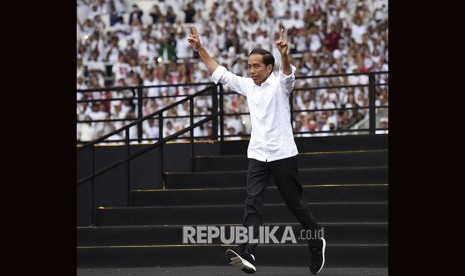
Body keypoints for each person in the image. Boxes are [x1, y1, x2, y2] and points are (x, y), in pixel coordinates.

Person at [187, 25, 326, 275]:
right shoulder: (248, 86)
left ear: (268, 68)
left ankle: (316, 241)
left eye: (256, 66)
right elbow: (221, 73)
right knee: (252, 203)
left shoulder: (280, 84)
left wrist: (284, 54)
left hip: (283, 154)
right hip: (257, 155)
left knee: (295, 204)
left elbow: (287, 75)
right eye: (249, 66)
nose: (251, 71)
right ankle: (248, 251)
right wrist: (200, 49)